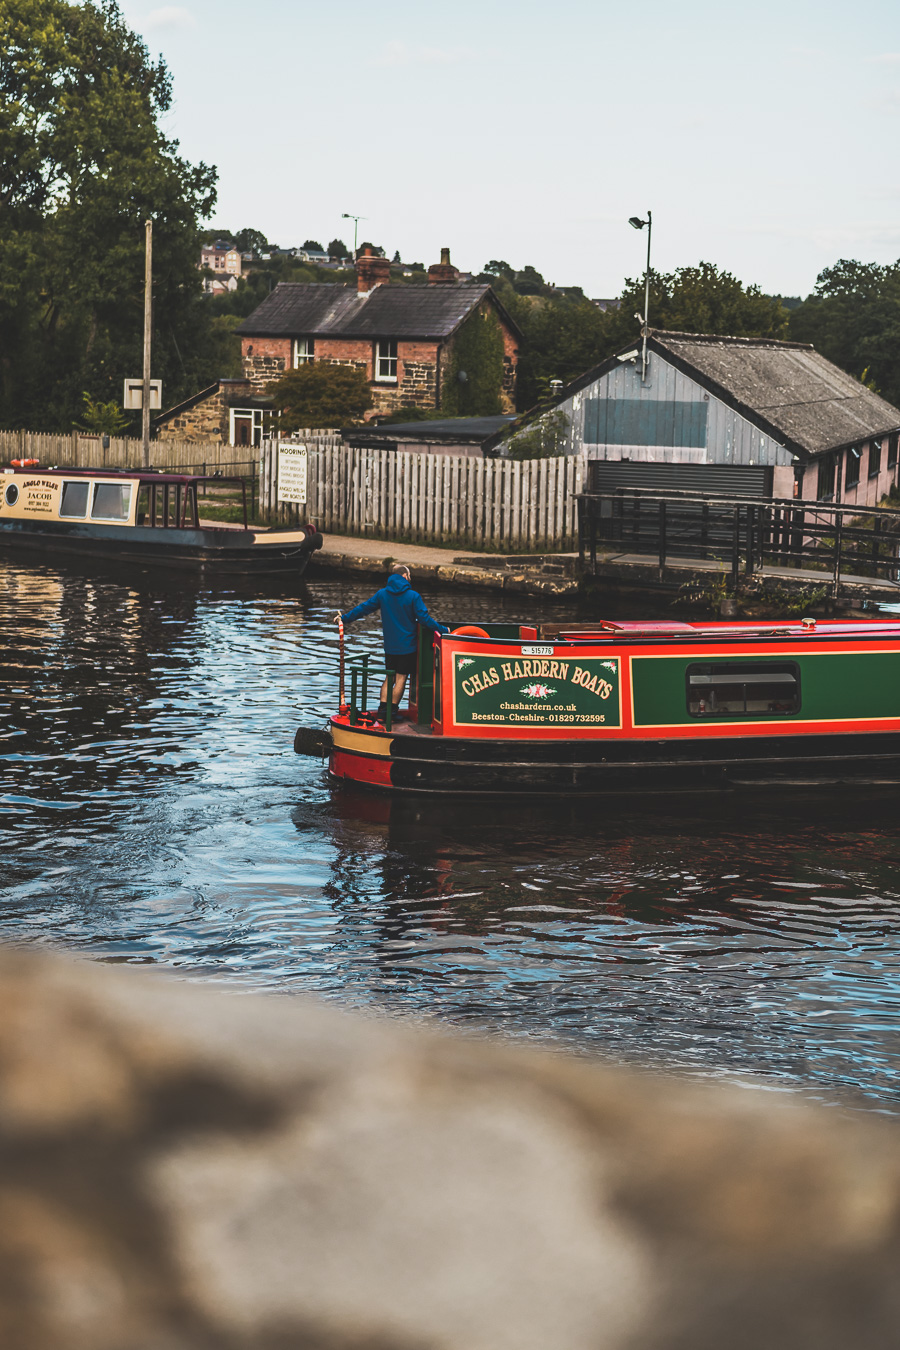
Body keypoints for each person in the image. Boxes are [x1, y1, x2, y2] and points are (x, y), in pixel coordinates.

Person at [337, 564, 449, 722]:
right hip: (407, 646)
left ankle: (382, 711)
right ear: (404, 576)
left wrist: (344, 618)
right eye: (409, 575)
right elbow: (424, 620)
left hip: (390, 647)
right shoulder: (413, 596)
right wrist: (444, 629)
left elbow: (364, 608)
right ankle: (391, 712)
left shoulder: (382, 594)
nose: (410, 578)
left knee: (389, 678)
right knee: (401, 678)